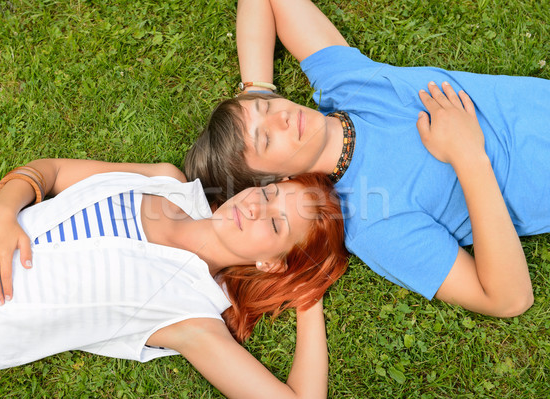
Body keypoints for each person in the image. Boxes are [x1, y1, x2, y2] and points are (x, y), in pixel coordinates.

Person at [185, 0, 550, 318]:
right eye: (265, 140)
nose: (279, 118)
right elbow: (507, 299)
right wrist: (469, 156)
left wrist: (253, 95)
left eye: (268, 107)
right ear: (276, 180)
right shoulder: (373, 221)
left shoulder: (345, 85)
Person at [0, 158, 348, 399]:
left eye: (276, 224)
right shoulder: (167, 182)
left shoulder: (191, 316)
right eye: (270, 193)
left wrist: (307, 291)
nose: (255, 205)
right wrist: (3, 215)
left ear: (272, 263)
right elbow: (49, 172)